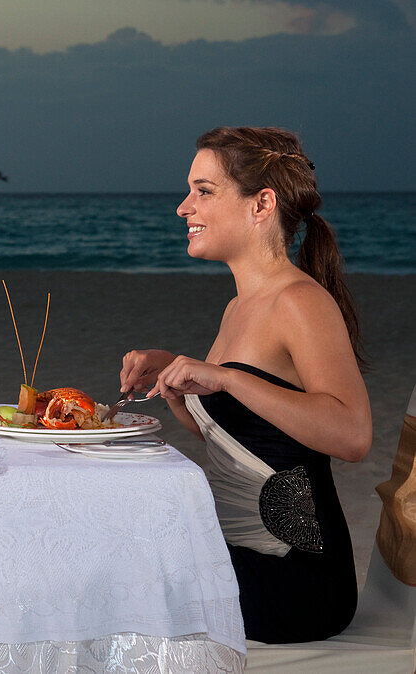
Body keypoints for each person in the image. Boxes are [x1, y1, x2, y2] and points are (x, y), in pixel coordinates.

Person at [118, 126, 372, 644]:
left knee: (121, 569)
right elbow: (243, 443)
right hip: (240, 554)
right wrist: (178, 383)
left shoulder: (300, 301)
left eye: (203, 191)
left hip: (298, 577)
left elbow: (353, 435)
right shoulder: (238, 308)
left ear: (261, 204)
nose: (183, 207)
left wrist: (227, 378)